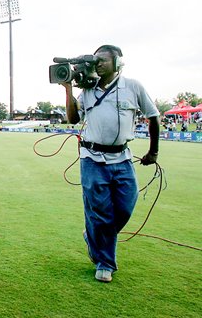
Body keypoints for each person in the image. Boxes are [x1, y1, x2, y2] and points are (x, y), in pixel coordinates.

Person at [61, 44, 160, 283]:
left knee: (126, 206)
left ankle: (93, 235)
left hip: (122, 157)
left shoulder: (133, 87)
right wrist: (67, 90)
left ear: (117, 64)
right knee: (100, 212)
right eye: (96, 60)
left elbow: (153, 116)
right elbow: (73, 119)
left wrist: (153, 151)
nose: (98, 64)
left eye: (104, 60)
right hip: (92, 158)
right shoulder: (87, 89)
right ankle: (105, 263)